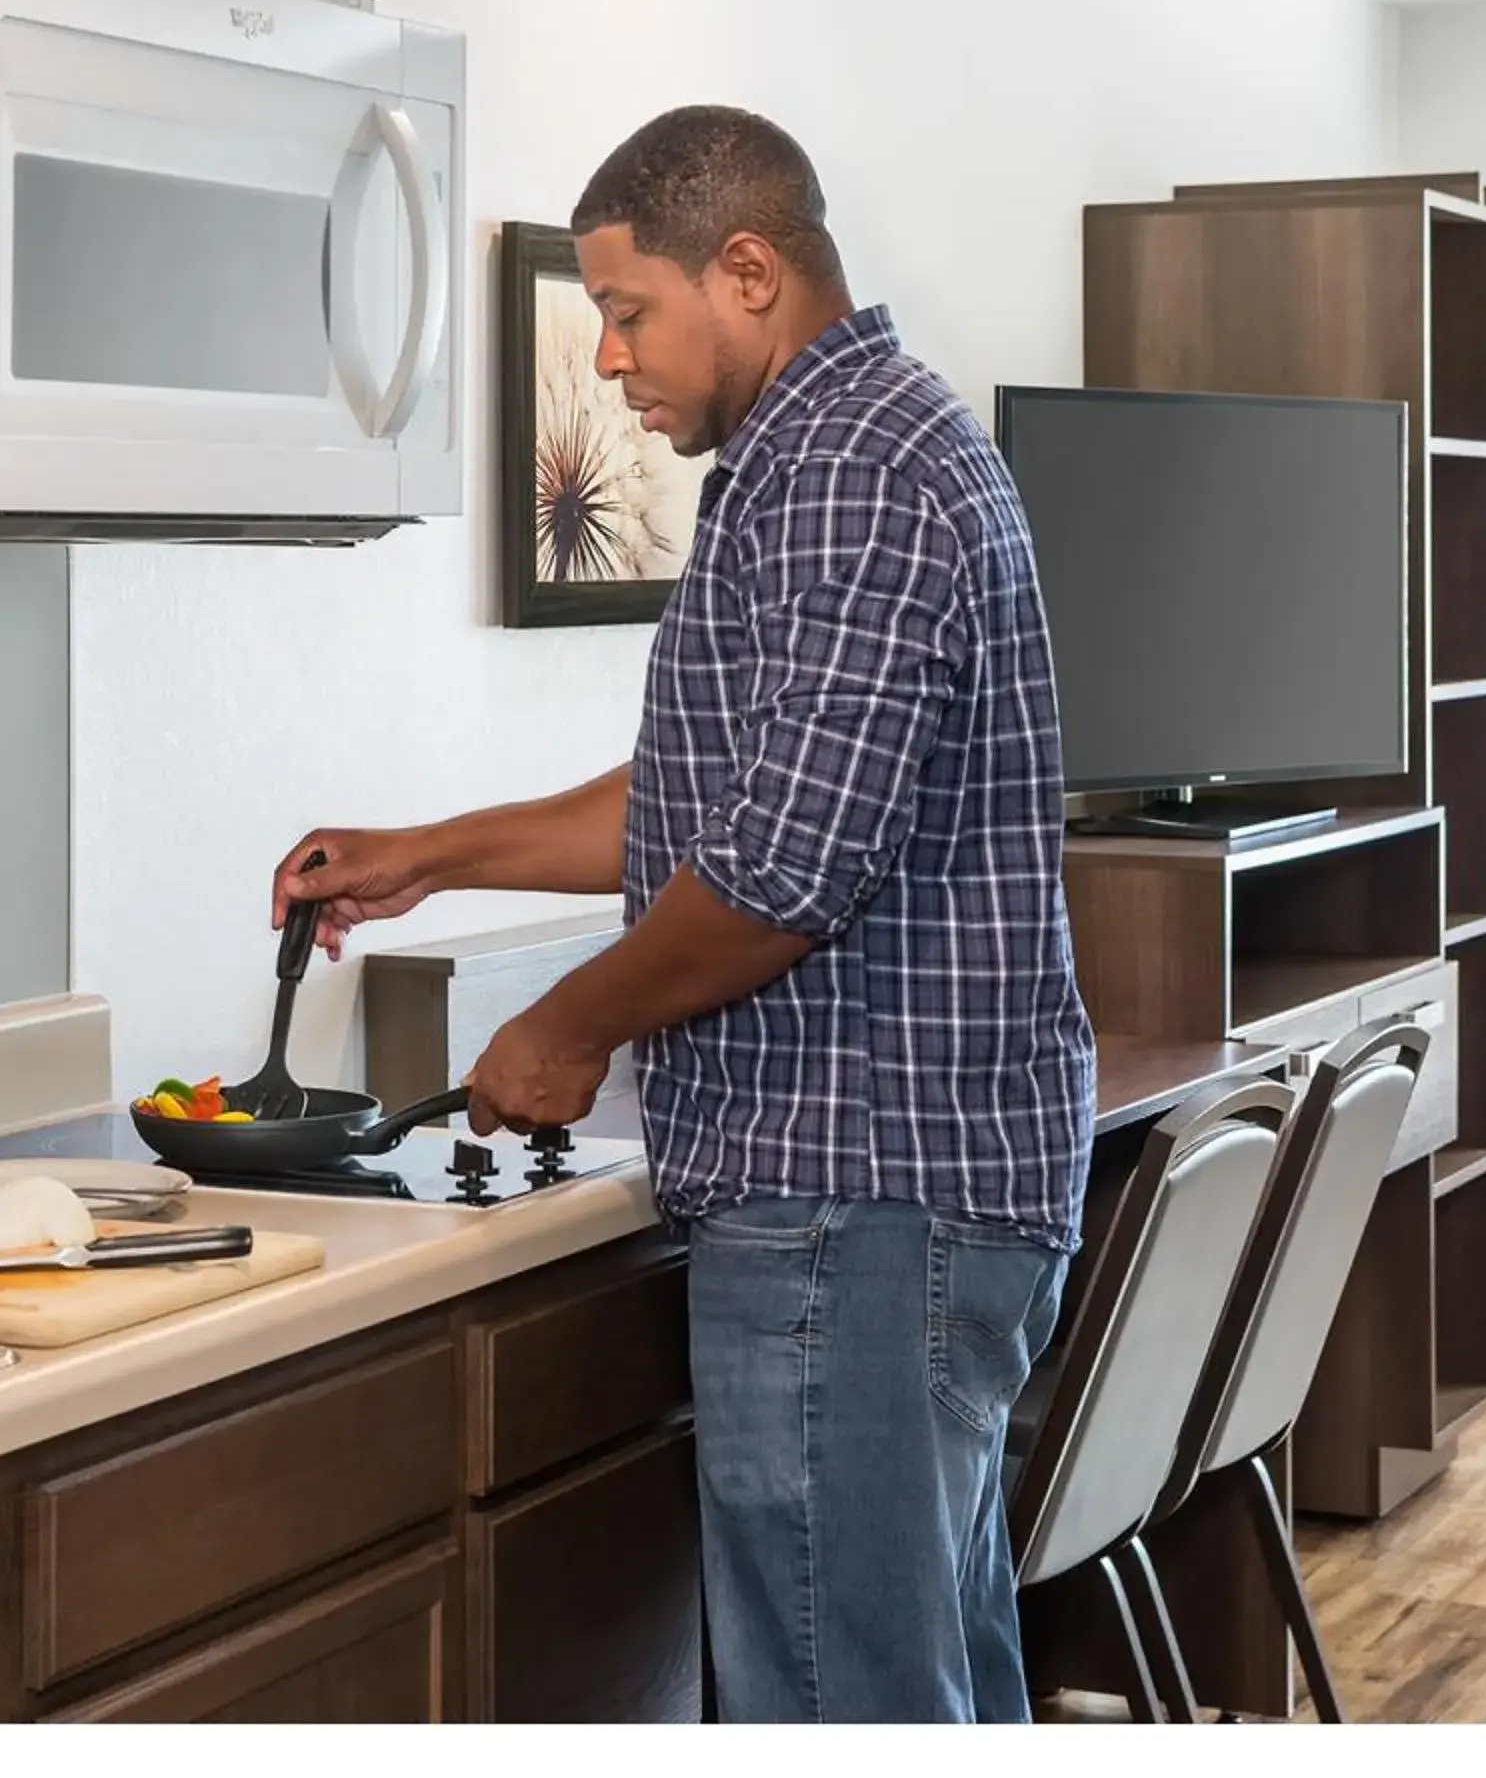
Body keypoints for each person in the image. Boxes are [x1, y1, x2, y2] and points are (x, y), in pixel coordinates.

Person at [270, 105, 1095, 1724]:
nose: (612, 360)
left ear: (748, 271)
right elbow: (710, 800)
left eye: (631, 313)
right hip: (897, 1196)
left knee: (835, 1706)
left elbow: (782, 872)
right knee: (924, 1687)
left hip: (858, 1200)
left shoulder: (850, 478)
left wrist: (564, 1026)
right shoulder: (850, 454)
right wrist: (431, 853)